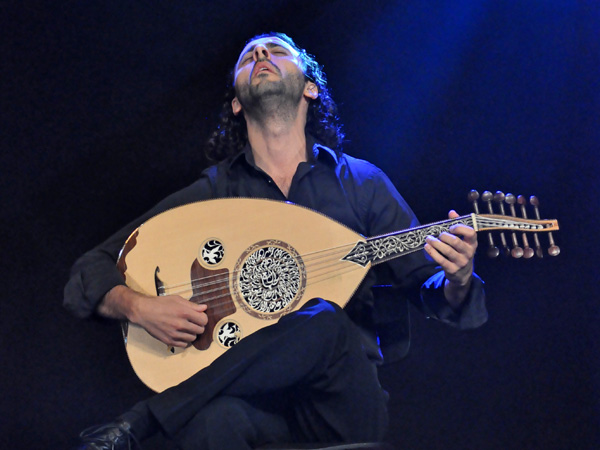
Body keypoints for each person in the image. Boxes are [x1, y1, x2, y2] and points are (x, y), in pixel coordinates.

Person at [65, 32, 488, 450]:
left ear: (311, 88)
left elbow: (431, 289)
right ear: (236, 101)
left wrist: (459, 277)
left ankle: (137, 424)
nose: (262, 53)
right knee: (212, 423)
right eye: (249, 56)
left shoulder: (362, 184)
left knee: (323, 317)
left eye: (278, 50)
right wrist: (140, 306)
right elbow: (91, 268)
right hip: (251, 405)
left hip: (340, 402)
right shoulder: (217, 193)